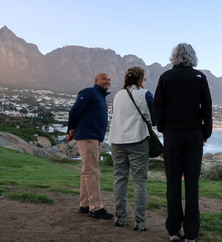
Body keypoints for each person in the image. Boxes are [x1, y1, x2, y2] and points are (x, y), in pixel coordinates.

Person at [153, 43, 212, 242]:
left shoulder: (166, 77)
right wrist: (206, 133)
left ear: (174, 56)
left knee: (173, 182)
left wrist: (163, 128)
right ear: (193, 57)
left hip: (172, 135)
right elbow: (207, 107)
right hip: (194, 134)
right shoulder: (199, 77)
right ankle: (192, 233)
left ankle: (173, 230)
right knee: (192, 184)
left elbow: (158, 105)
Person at [107, 67, 155, 231]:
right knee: (139, 181)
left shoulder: (118, 95)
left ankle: (120, 217)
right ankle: (140, 221)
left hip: (116, 141)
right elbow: (152, 118)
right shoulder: (145, 94)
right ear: (141, 79)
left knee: (120, 179)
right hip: (137, 141)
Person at [66, 73, 114, 219]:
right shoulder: (89, 92)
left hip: (95, 138)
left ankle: (85, 204)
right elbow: (74, 111)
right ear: (96, 81)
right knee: (92, 171)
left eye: (109, 79)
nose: (107, 81)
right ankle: (96, 207)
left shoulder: (100, 97)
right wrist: (70, 130)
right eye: (104, 79)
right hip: (88, 137)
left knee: (87, 171)